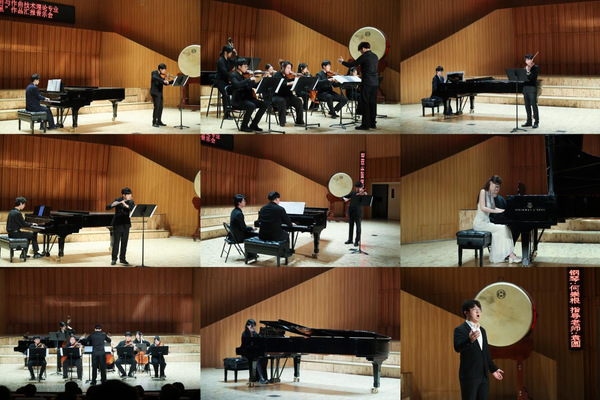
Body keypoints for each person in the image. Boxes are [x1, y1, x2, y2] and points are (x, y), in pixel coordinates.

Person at [454, 299, 504, 400]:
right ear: (466, 312)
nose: (478, 312)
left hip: (484, 376)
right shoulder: (460, 330)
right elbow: (457, 348)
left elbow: (485, 353)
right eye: (474, 309)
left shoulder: (482, 330)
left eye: (479, 310)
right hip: (470, 376)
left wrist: (493, 369)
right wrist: (469, 340)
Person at [473, 175, 521, 264]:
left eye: (498, 186)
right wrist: (497, 211)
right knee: (502, 228)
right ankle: (510, 255)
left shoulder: (491, 195)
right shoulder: (483, 192)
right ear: (490, 183)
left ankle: (508, 253)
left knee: (505, 228)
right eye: (496, 186)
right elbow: (483, 208)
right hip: (480, 224)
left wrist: (505, 210)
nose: (497, 188)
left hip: (487, 223)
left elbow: (494, 208)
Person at [338, 41, 379, 130]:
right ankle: (372, 123)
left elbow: (352, 64)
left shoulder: (365, 56)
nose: (361, 52)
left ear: (363, 48)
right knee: (372, 103)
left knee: (365, 103)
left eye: (360, 50)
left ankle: (365, 125)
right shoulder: (375, 56)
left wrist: (342, 62)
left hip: (367, 82)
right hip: (375, 82)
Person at [229, 58, 267, 132]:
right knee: (251, 105)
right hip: (238, 100)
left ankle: (254, 124)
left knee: (264, 104)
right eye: (245, 66)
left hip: (248, 98)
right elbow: (237, 85)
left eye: (247, 66)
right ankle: (244, 126)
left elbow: (255, 86)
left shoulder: (245, 76)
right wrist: (249, 80)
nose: (247, 68)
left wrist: (263, 79)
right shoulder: (233, 75)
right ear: (239, 67)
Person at [106, 187, 134, 265]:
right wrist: (113, 204)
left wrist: (125, 205)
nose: (130, 195)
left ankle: (122, 259)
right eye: (128, 194)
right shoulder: (118, 200)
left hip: (126, 224)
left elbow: (132, 209)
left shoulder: (130, 202)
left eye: (130, 194)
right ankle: (114, 259)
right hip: (118, 224)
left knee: (124, 242)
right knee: (116, 242)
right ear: (124, 195)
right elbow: (107, 207)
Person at [272, 61, 305, 127]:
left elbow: (294, 83)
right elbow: (280, 84)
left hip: (288, 96)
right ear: (283, 68)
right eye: (288, 68)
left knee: (298, 101)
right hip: (277, 96)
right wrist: (289, 83)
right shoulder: (277, 75)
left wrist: (296, 81)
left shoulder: (290, 76)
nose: (289, 70)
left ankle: (299, 121)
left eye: (290, 68)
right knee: (282, 101)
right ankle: (282, 122)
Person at [230, 194, 259, 259]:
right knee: (254, 235)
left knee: (251, 233)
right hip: (238, 236)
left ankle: (251, 253)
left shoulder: (234, 211)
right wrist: (252, 228)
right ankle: (251, 255)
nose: (245, 202)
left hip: (233, 234)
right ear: (239, 203)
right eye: (243, 201)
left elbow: (241, 226)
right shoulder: (239, 214)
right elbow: (243, 228)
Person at [241, 319, 269, 384]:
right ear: (247, 326)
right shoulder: (244, 334)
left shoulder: (255, 334)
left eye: (254, 326)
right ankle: (261, 378)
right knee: (258, 359)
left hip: (253, 352)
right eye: (252, 326)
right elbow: (245, 345)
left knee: (265, 358)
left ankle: (265, 377)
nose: (253, 327)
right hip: (246, 353)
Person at [215, 45, 237, 120]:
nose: (231, 54)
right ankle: (226, 114)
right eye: (230, 52)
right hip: (219, 81)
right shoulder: (221, 60)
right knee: (225, 94)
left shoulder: (228, 60)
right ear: (225, 52)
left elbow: (235, 63)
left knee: (233, 92)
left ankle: (230, 111)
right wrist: (232, 76)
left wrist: (235, 54)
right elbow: (224, 72)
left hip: (225, 81)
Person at [343, 181, 367, 246]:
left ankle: (357, 241)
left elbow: (366, 199)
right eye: (357, 188)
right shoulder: (353, 193)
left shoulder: (363, 194)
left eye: (359, 188)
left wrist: (365, 195)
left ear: (361, 188)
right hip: (351, 211)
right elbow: (344, 196)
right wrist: (344, 198)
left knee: (358, 226)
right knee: (351, 226)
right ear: (355, 187)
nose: (358, 189)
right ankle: (350, 240)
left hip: (358, 212)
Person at [150, 63, 174, 127]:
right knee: (157, 107)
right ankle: (154, 122)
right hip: (155, 92)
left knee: (160, 107)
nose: (165, 71)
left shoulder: (161, 76)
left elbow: (166, 83)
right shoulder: (154, 73)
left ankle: (159, 121)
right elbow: (154, 77)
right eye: (164, 70)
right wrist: (163, 80)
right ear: (160, 69)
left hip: (160, 93)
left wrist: (173, 81)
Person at [522, 54, 539, 129]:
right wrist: (525, 71)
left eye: (528, 59)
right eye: (526, 60)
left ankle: (536, 122)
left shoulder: (535, 67)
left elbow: (532, 77)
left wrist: (528, 71)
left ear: (532, 60)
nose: (527, 61)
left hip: (532, 88)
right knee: (527, 105)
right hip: (525, 88)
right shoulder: (525, 68)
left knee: (534, 105)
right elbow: (523, 78)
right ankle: (529, 121)